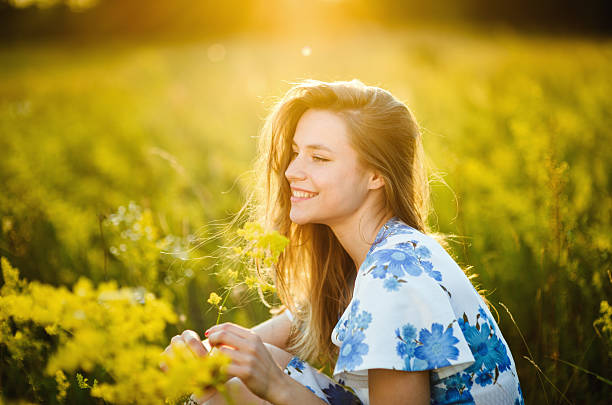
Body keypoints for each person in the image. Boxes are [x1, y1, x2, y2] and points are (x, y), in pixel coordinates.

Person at [164, 79, 525, 405]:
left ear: (376, 175)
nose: (291, 171)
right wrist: (204, 355)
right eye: (295, 152)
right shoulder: (378, 252)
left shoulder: (392, 281)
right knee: (229, 381)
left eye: (319, 158)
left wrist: (276, 385)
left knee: (223, 397)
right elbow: (275, 335)